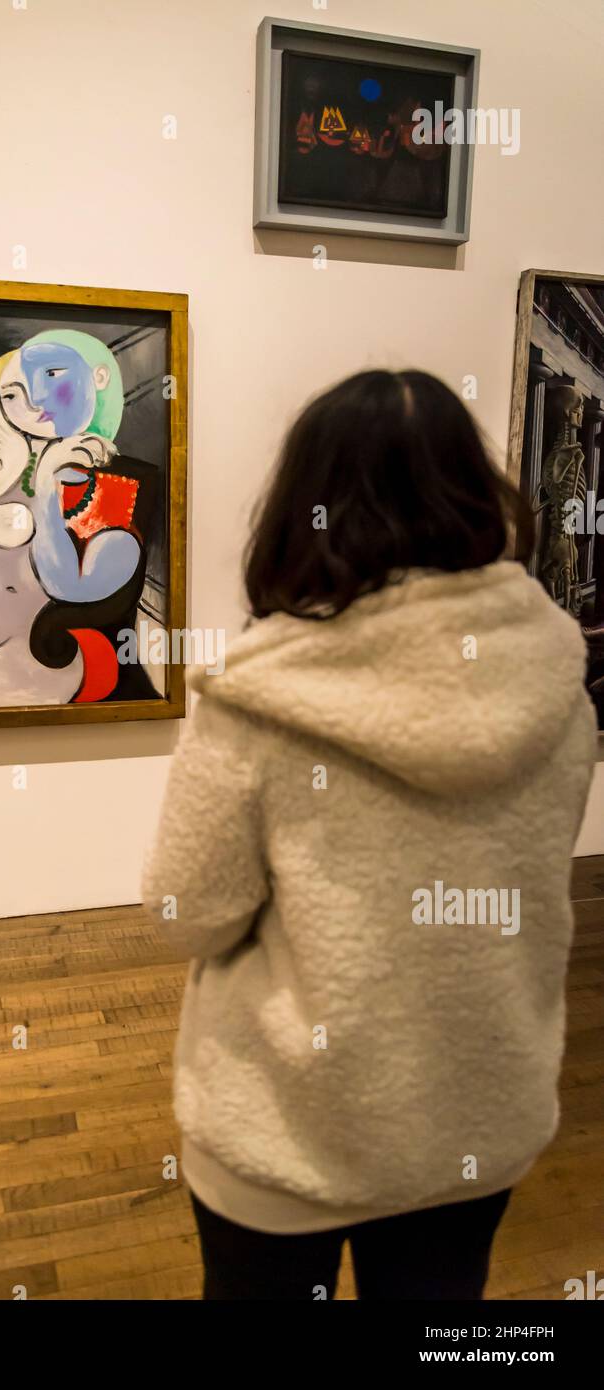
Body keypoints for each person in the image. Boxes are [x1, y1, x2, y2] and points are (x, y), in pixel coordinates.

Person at [141, 369, 597, 1300]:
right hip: (470, 1118)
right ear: (477, 492)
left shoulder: (257, 696)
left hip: (283, 1129)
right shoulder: (555, 676)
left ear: (303, 506)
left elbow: (186, 915)